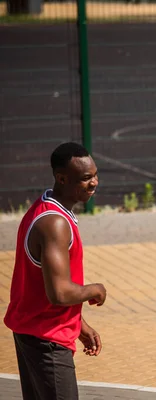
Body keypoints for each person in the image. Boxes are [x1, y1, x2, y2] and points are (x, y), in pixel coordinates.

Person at [4, 142, 107, 400]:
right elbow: (59, 293)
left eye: (94, 174)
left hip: (35, 333)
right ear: (62, 178)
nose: (94, 182)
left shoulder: (47, 209)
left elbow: (46, 282)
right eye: (85, 178)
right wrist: (96, 289)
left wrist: (78, 323)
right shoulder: (54, 223)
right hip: (47, 341)